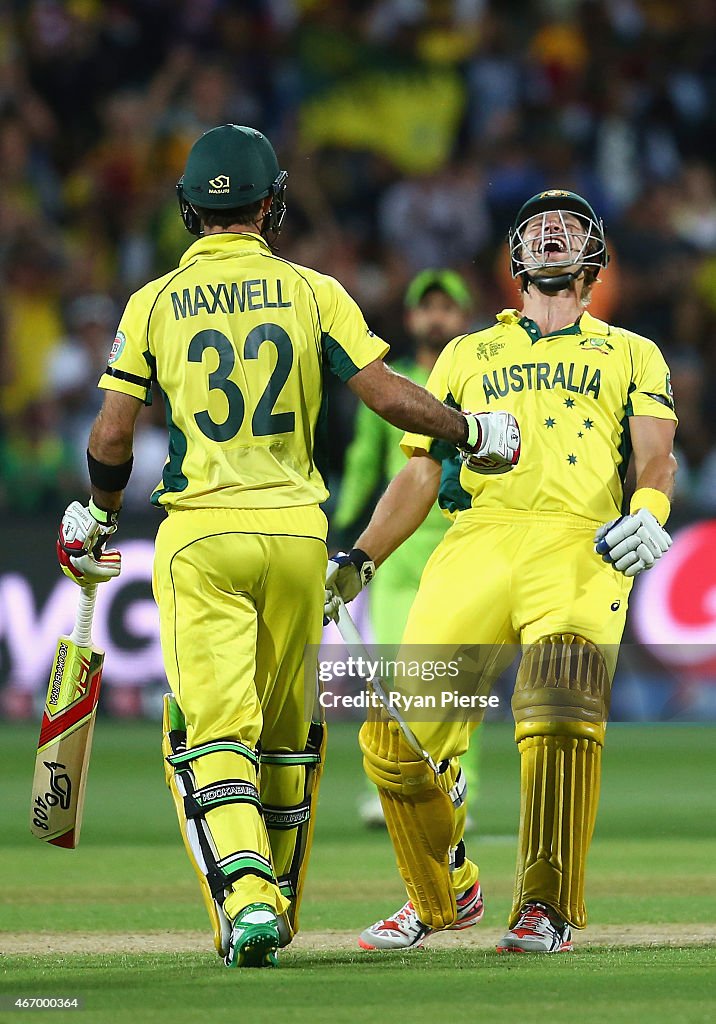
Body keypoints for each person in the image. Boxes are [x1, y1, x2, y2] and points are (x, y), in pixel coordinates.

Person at [54, 124, 521, 970]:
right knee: (286, 735)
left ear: (188, 210)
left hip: (201, 535)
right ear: (272, 207)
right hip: (300, 538)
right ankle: (276, 895)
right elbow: (386, 396)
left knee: (209, 733)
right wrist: (470, 428)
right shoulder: (314, 292)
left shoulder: (152, 303)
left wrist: (97, 512)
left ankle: (248, 896)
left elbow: (115, 431)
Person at [325, 189, 677, 953]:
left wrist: (649, 511)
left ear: (594, 259)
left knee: (560, 725)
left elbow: (656, 454)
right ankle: (441, 889)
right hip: (476, 542)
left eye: (570, 225)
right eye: (539, 225)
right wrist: (362, 557)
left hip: (578, 548)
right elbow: (419, 473)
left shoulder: (631, 352)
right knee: (395, 742)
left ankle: (543, 909)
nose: (553, 231)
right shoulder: (465, 351)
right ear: (515, 257)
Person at [333, 268, 481, 828]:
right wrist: (344, 530)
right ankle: (393, 788)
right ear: (413, 318)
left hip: (463, 548)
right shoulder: (388, 385)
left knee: (462, 684)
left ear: (463, 318)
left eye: (448, 308)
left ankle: (457, 789)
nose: (436, 317)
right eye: (428, 308)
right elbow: (365, 461)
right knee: (395, 676)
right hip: (396, 554)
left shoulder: (477, 378)